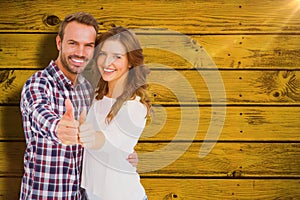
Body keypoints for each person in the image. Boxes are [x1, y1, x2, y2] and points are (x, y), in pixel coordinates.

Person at [19, 12, 137, 199]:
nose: (80, 53)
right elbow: (39, 112)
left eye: (88, 45)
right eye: (73, 43)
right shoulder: (39, 83)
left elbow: (101, 135)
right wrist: (59, 128)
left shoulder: (87, 89)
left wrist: (122, 152)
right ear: (59, 43)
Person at [79, 26, 151, 200]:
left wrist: (85, 134)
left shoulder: (134, 106)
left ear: (130, 62)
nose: (106, 62)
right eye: (103, 54)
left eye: (117, 57)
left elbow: (107, 143)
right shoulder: (97, 96)